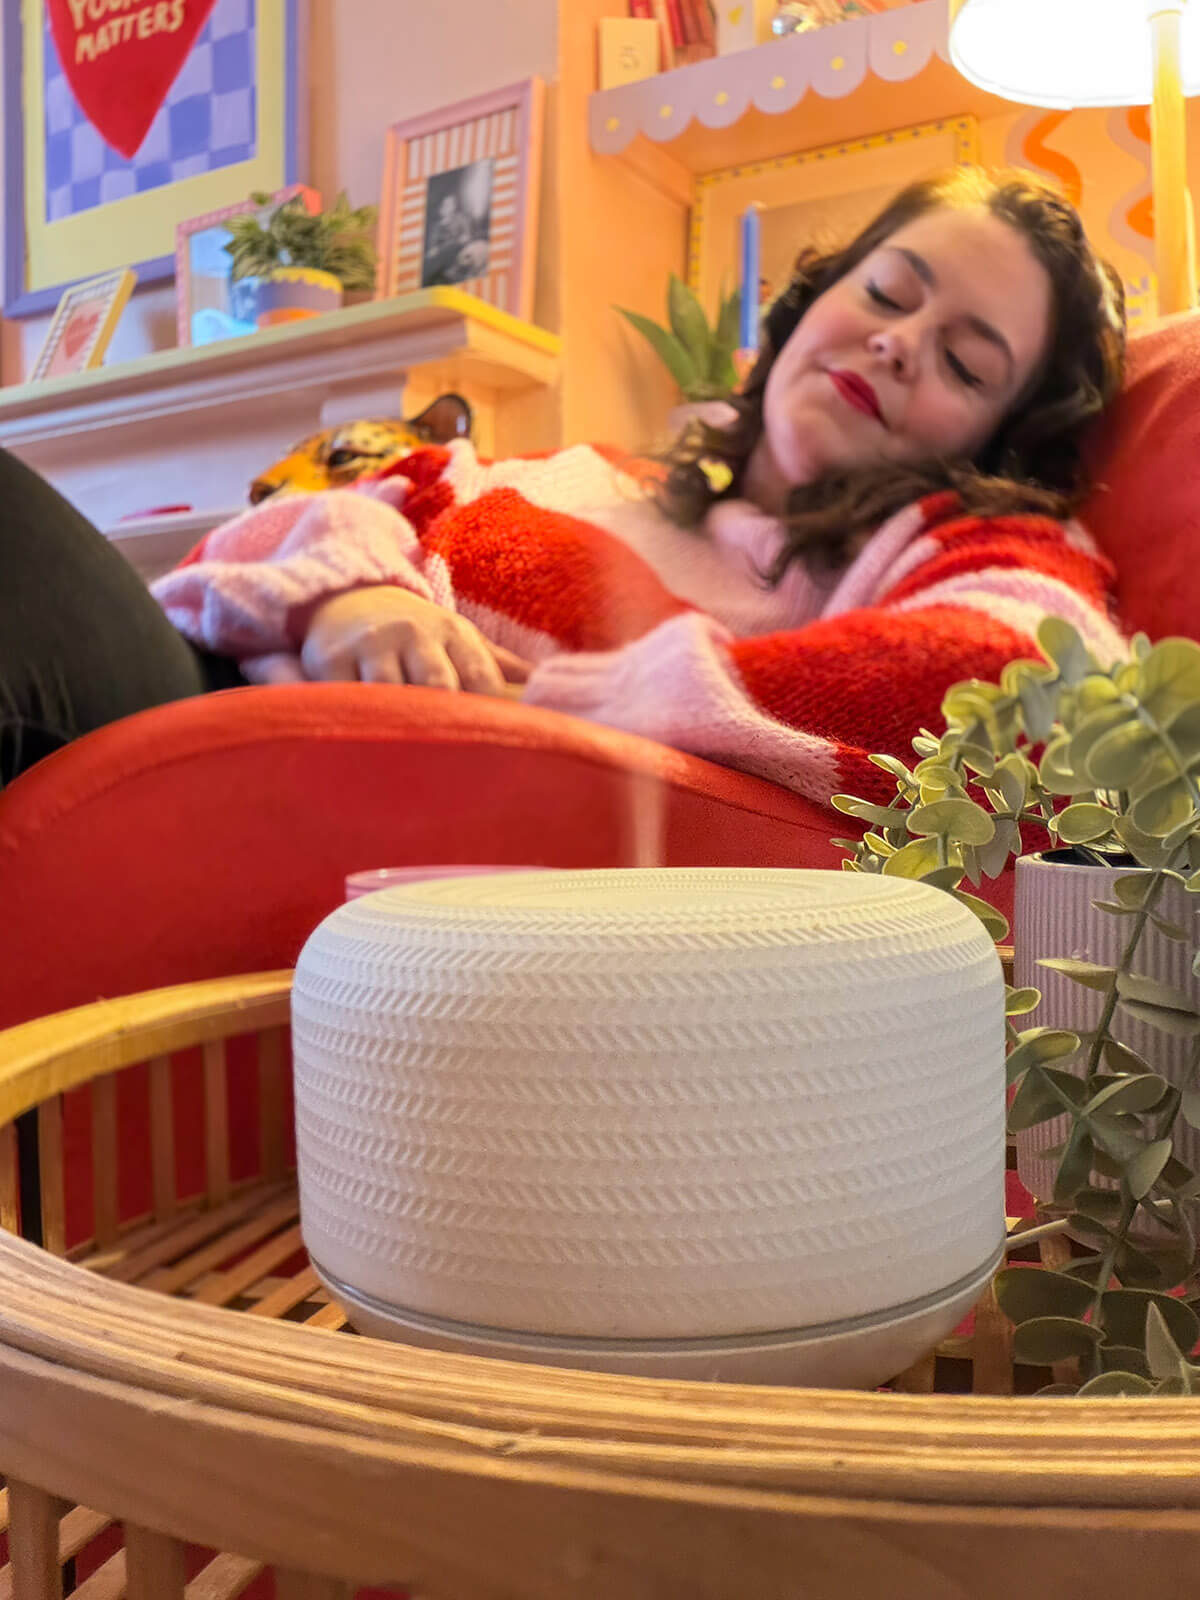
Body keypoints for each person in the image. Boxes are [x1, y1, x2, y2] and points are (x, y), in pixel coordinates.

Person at [0, 168, 1128, 806]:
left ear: (1001, 440)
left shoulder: (915, 558)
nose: (900, 344)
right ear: (820, 298)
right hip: (211, 703)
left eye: (967, 362)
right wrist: (354, 593)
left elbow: (1040, 673)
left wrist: (615, 701)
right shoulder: (593, 473)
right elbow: (355, 506)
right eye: (888, 293)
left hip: (279, 806)